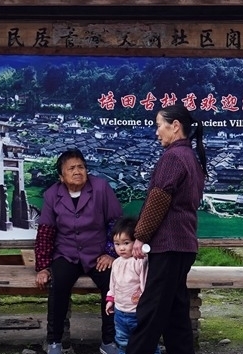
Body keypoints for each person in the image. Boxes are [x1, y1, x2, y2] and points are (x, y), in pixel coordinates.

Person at [125, 104, 207, 354]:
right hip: (184, 246)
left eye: (159, 125)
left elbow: (158, 199)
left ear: (175, 126)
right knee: (175, 314)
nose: (157, 131)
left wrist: (141, 236)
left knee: (150, 312)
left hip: (168, 246)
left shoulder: (173, 157)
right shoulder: (191, 157)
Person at [34, 148, 123, 354]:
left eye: (81, 167)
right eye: (71, 168)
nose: (77, 171)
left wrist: (111, 253)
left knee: (113, 283)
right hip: (67, 254)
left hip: (97, 253)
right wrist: (43, 267)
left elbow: (116, 223)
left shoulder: (101, 188)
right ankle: (54, 341)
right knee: (58, 284)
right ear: (61, 176)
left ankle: (109, 341)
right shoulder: (52, 194)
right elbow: (46, 231)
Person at [105, 217, 159, 354]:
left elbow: (145, 284)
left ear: (136, 242)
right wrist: (111, 300)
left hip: (137, 313)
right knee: (122, 342)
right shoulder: (116, 263)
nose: (121, 248)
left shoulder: (140, 261)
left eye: (126, 243)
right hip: (119, 312)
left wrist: (146, 306)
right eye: (117, 244)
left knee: (146, 342)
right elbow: (113, 284)